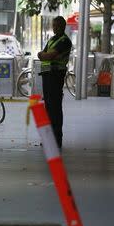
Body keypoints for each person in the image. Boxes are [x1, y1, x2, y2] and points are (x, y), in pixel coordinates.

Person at [37, 16, 72, 149]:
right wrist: (45, 55)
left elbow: (48, 55)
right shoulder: (52, 39)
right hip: (47, 76)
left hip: (56, 76)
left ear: (63, 26)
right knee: (48, 108)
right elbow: (43, 54)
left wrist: (46, 55)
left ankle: (56, 140)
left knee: (55, 109)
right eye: (53, 25)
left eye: (57, 25)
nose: (55, 28)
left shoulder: (64, 41)